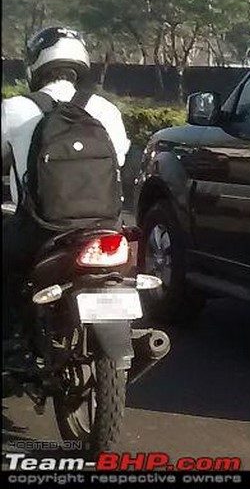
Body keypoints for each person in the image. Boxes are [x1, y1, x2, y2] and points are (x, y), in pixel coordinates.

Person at [2, 26, 130, 367]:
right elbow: (119, 161)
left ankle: (12, 346)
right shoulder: (107, 110)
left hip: (42, 230)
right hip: (105, 229)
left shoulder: (13, 109)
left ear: (35, 64)